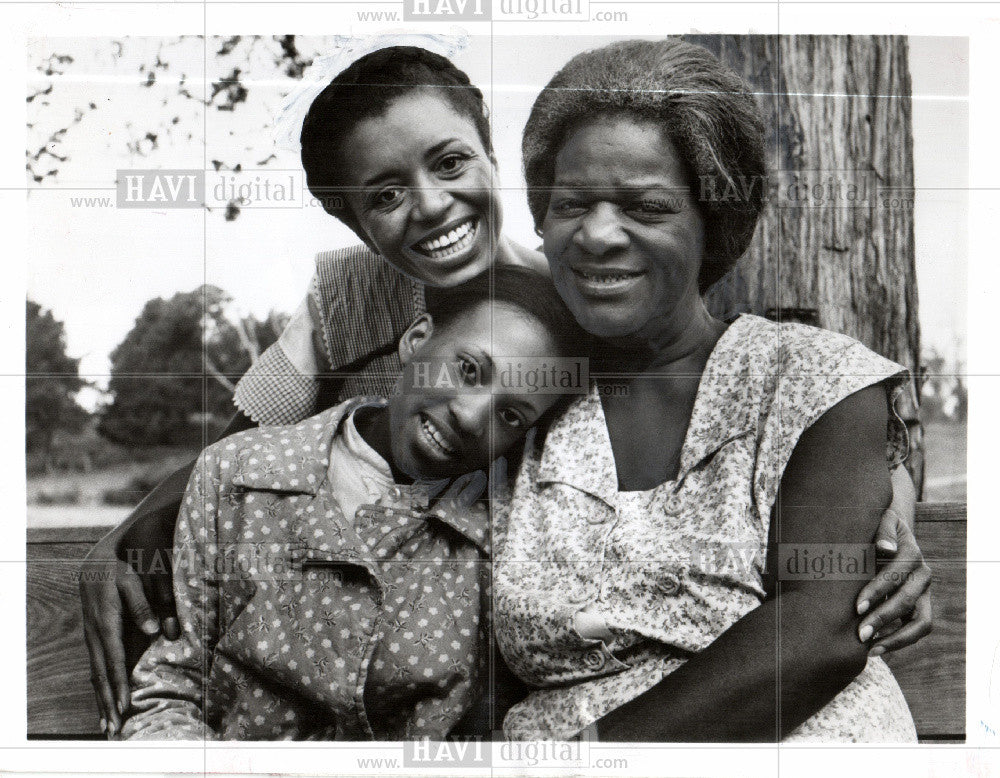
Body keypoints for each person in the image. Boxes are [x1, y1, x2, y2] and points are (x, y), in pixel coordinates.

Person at [80, 42, 930, 738]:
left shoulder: (580, 299)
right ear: (354, 223)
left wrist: (890, 490)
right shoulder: (354, 298)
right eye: (384, 196)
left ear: (493, 158)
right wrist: (136, 530)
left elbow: (805, 387)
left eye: (451, 162)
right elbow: (247, 437)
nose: (431, 206)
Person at [491, 38, 930, 742]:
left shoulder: (810, 375)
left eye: (647, 207)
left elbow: (819, 629)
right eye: (573, 202)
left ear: (712, 221)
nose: (599, 235)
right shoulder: (519, 400)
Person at [120, 266, 582, 740]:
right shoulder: (237, 472)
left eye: (510, 414)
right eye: (468, 370)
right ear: (416, 340)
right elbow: (173, 689)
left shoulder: (502, 534)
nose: (470, 416)